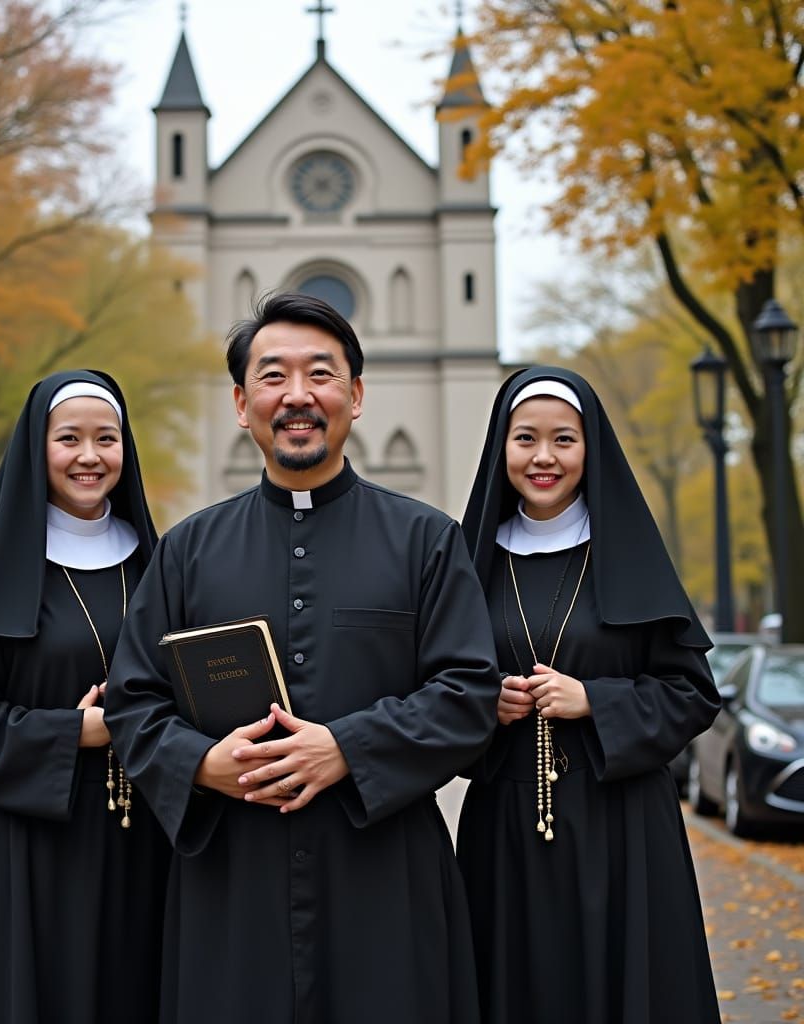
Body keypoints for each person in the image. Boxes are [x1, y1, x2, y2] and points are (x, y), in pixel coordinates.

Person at [104, 293, 501, 1024]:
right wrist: (199, 763)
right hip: (231, 887)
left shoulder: (427, 542)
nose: (297, 396)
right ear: (239, 402)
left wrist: (347, 747)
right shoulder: (187, 552)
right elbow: (133, 702)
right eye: (272, 376)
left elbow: (469, 694)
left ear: (355, 395)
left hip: (388, 886)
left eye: (320, 374)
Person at [456, 366, 722, 1024]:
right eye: (525, 439)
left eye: (563, 440)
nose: (543, 457)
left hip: (622, 826)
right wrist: (486, 706)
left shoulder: (628, 556)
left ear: (590, 448)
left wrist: (596, 701)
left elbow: (690, 693)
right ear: (501, 447)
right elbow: (434, 689)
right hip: (506, 828)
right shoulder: (467, 565)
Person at [0, 369, 170, 1024]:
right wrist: (70, 733)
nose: (89, 456)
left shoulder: (161, 565)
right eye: (69, 439)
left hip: (145, 842)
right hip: (31, 842)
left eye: (106, 439)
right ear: (37, 448)